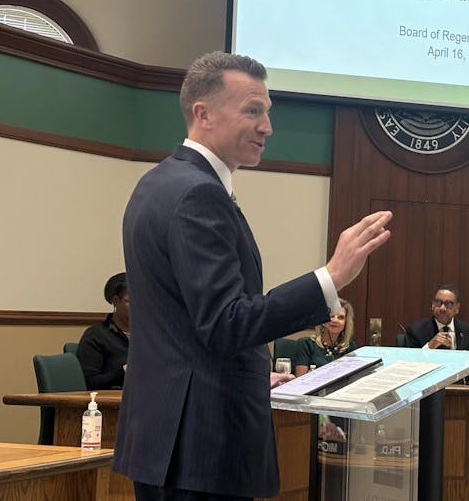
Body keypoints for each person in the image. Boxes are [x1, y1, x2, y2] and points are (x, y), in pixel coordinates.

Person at [113, 51, 392, 501]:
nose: (268, 127)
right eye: (253, 110)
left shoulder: (159, 182)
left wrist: (251, 372)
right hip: (199, 446)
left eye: (268, 112)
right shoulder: (198, 195)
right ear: (203, 113)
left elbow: (185, 324)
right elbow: (225, 323)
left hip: (172, 437)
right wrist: (331, 277)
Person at [75, 272, 130, 390]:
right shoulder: (96, 336)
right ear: (116, 301)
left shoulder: (150, 335)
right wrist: (124, 372)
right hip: (111, 403)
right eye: (130, 301)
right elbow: (89, 383)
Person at [404, 284, 469, 351]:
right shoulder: (416, 331)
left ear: (457, 308)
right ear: (432, 305)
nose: (442, 308)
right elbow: (410, 362)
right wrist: (429, 347)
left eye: (448, 304)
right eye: (438, 302)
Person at [293, 298, 357, 376]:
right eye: (331, 316)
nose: (335, 320)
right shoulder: (306, 344)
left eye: (341, 317)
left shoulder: (350, 347)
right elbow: (300, 381)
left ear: (346, 323)